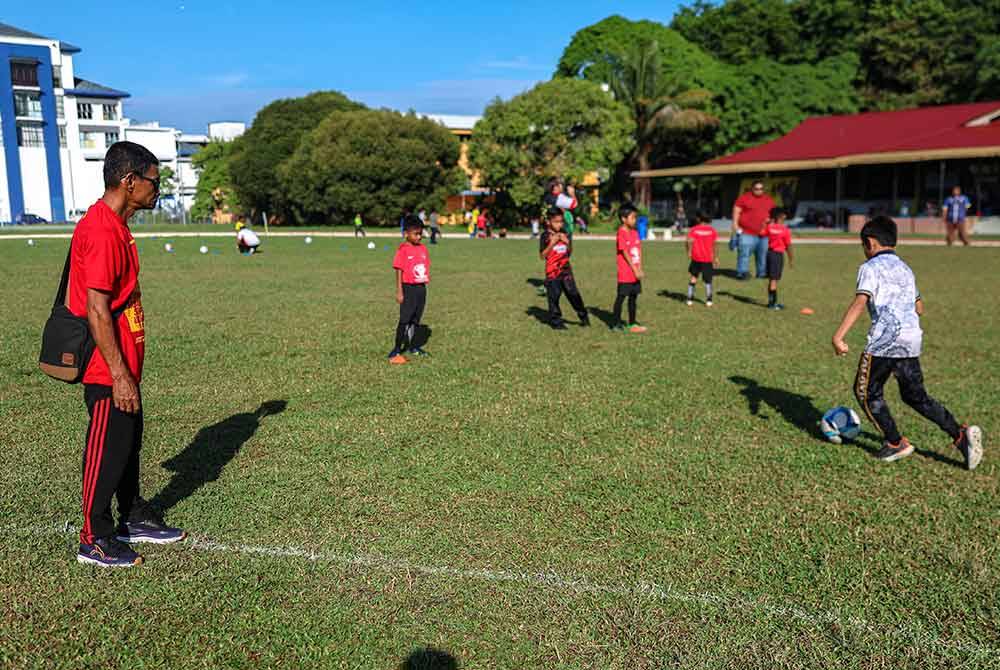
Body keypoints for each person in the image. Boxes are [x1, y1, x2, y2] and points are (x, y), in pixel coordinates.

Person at [69, 141, 186, 568]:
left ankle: (132, 517)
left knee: (126, 445)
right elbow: (97, 309)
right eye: (154, 181)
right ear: (129, 180)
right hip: (106, 370)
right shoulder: (102, 231)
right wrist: (119, 375)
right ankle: (94, 538)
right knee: (107, 450)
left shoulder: (117, 226)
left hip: (123, 366)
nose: (158, 189)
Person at [831, 215, 984, 467]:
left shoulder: (869, 268)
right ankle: (960, 435)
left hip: (884, 341)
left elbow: (860, 302)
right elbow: (919, 307)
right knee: (915, 396)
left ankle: (895, 443)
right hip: (910, 339)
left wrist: (838, 336)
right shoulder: (905, 268)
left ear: (870, 243)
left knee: (866, 392)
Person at [388, 215, 431, 364]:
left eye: (420, 233)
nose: (419, 237)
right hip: (408, 288)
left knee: (416, 319)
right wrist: (399, 291)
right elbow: (399, 270)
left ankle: (413, 347)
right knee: (405, 319)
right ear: (406, 233)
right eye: (415, 234)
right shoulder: (403, 250)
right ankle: (396, 349)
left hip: (421, 288)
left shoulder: (423, 249)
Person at [539, 206, 590, 330]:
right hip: (552, 272)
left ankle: (583, 316)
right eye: (556, 222)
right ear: (548, 222)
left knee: (574, 294)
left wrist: (568, 243)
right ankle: (556, 322)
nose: (559, 224)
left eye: (561, 221)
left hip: (566, 271)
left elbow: (569, 253)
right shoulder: (545, 236)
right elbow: (542, 256)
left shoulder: (565, 233)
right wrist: (552, 243)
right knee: (554, 297)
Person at [612, 203, 647, 333]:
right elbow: (625, 252)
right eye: (632, 217)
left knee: (633, 298)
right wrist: (634, 269)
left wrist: (640, 268)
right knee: (621, 298)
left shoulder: (635, 232)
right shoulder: (621, 233)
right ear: (623, 219)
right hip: (626, 273)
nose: (635, 220)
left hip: (635, 273)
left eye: (635, 217)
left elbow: (639, 250)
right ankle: (616, 324)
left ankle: (632, 323)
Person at [732, 180, 775, 280]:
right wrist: (735, 225)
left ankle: (761, 273)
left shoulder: (768, 199)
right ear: (752, 189)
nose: (759, 191)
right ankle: (742, 273)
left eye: (761, 189)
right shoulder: (744, 198)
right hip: (746, 233)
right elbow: (736, 211)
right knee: (744, 254)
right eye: (756, 189)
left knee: (762, 255)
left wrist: (771, 223)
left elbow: (773, 214)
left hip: (764, 234)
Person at [761, 207, 794, 310]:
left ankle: (771, 302)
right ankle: (773, 304)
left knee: (772, 279)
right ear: (780, 216)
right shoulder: (785, 230)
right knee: (774, 280)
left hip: (769, 254)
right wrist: (791, 259)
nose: (785, 216)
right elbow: (788, 246)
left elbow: (761, 234)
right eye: (784, 214)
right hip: (778, 255)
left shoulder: (770, 227)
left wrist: (765, 223)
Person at [685, 211, 718, 307]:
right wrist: (715, 257)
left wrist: (688, 251)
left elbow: (688, 241)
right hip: (707, 259)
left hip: (696, 258)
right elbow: (715, 245)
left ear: (698, 219)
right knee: (708, 280)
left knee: (693, 277)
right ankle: (709, 300)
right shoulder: (712, 230)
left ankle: (689, 299)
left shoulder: (694, 230)